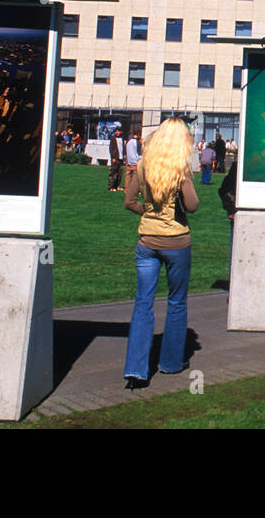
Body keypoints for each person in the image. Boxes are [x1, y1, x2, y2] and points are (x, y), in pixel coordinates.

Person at [122, 118, 199, 387]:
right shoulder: (181, 169)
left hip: (147, 242)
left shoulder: (143, 165)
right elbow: (192, 206)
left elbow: (129, 201)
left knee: (143, 304)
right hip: (176, 242)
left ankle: (136, 369)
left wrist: (149, 213)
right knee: (176, 302)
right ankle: (170, 362)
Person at [107, 121, 124, 192]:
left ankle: (117, 186)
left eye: (118, 131)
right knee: (113, 173)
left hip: (121, 158)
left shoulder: (122, 139)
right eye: (116, 131)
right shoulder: (113, 139)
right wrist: (113, 157)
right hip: (115, 158)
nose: (117, 132)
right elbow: (111, 149)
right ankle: (111, 186)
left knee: (120, 173)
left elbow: (123, 148)